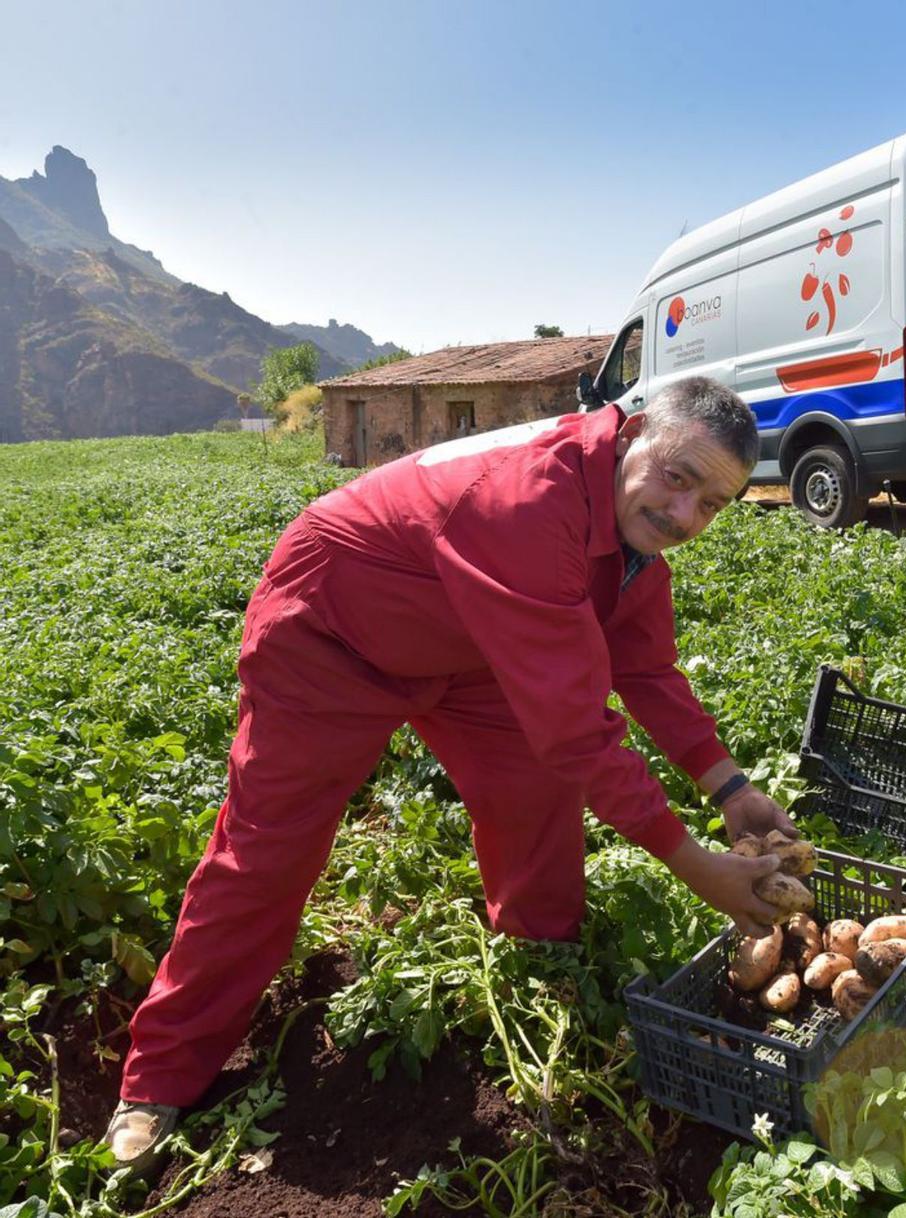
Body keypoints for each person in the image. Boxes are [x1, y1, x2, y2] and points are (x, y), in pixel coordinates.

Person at [104, 375, 794, 1174]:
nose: (684, 516)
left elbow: (644, 669)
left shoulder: (626, 532)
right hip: (332, 632)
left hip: (466, 649)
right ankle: (159, 1079)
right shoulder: (531, 501)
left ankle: (541, 966)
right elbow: (577, 726)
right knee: (269, 850)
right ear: (633, 431)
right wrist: (693, 862)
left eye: (710, 504)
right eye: (677, 479)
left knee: (537, 794)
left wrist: (731, 790)